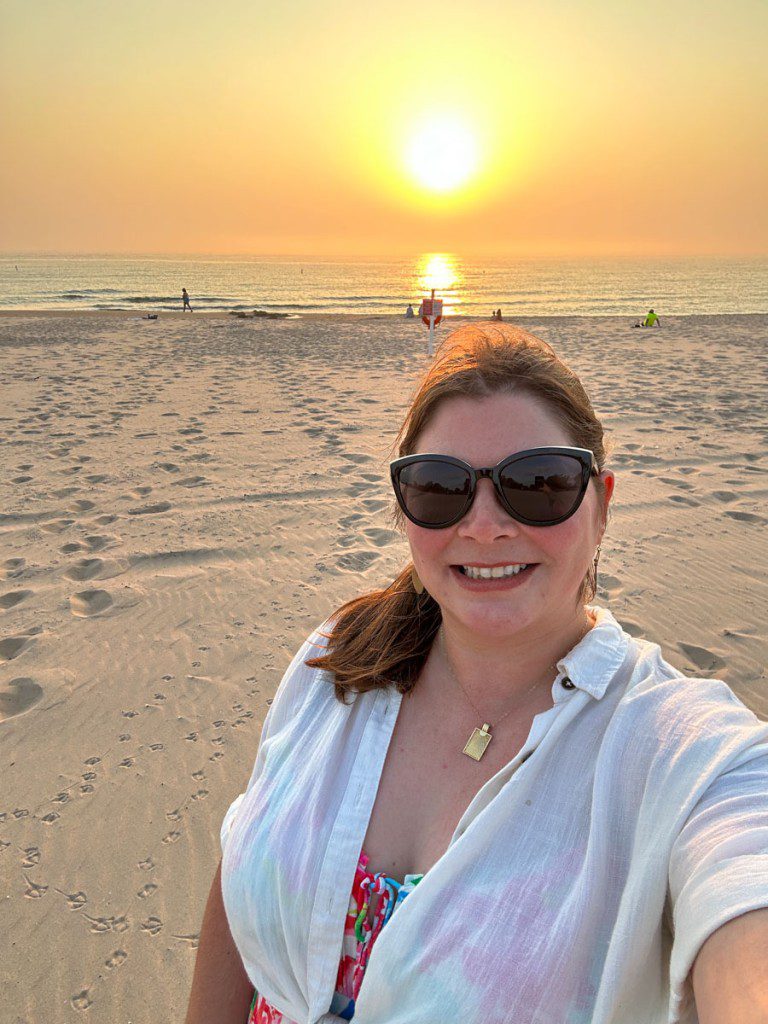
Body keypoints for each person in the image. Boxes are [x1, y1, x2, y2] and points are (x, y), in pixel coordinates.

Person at [185, 324, 768, 1024]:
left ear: (602, 504)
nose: (485, 526)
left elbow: (741, 876)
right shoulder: (336, 663)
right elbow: (249, 858)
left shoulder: (675, 748)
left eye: (539, 484)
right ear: (405, 509)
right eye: (441, 488)